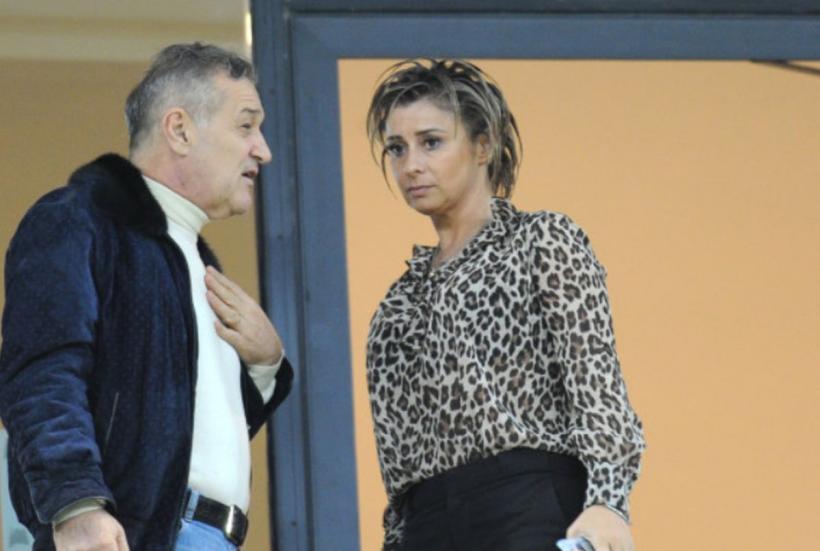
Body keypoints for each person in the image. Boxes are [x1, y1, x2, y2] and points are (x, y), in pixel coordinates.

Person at [0, 43, 293, 550]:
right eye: (246, 125)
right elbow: (42, 375)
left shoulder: (189, 260)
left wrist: (266, 366)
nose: (262, 150)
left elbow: (176, 436)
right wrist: (76, 504)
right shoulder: (78, 220)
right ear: (179, 130)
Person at [365, 59, 646, 551]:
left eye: (431, 142)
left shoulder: (543, 240)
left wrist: (607, 501)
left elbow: (596, 383)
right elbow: (398, 466)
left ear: (483, 146)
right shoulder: (397, 306)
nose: (410, 165)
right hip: (427, 526)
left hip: (528, 507)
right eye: (396, 148)